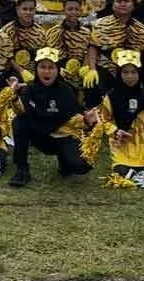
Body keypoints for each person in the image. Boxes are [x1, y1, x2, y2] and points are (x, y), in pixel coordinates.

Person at [5, 47, 94, 187]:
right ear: (37, 69)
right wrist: (14, 96)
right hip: (39, 136)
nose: (46, 71)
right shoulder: (29, 89)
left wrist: (86, 120)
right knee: (19, 122)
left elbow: (74, 117)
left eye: (51, 67)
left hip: (62, 136)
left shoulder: (66, 90)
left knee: (79, 167)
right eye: (42, 67)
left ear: (57, 69)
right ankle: (22, 169)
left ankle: (64, 160)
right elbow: (21, 112)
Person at [89, 49, 144, 187]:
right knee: (121, 170)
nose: (130, 76)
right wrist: (115, 131)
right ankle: (140, 178)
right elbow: (105, 120)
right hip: (122, 143)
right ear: (119, 74)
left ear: (139, 74)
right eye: (125, 72)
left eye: (133, 72)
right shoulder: (111, 97)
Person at [86, 0, 144, 108]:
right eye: (118, 1)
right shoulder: (100, 24)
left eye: (126, 1)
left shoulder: (142, 29)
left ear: (133, 4)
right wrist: (92, 69)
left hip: (132, 75)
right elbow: (93, 47)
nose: (122, 4)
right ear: (113, 4)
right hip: (105, 72)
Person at [46, 0, 92, 97]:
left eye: (76, 9)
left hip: (81, 70)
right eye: (70, 9)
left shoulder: (87, 33)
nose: (73, 12)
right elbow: (49, 54)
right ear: (64, 11)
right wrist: (58, 69)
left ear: (80, 11)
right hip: (60, 70)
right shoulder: (53, 32)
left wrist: (86, 66)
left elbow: (90, 52)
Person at [0, 0, 48, 81]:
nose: (28, 12)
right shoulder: (6, 31)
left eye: (31, 9)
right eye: (24, 9)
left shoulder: (40, 32)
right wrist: (22, 71)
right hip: (11, 72)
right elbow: (5, 56)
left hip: (34, 72)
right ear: (17, 10)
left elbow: (42, 56)